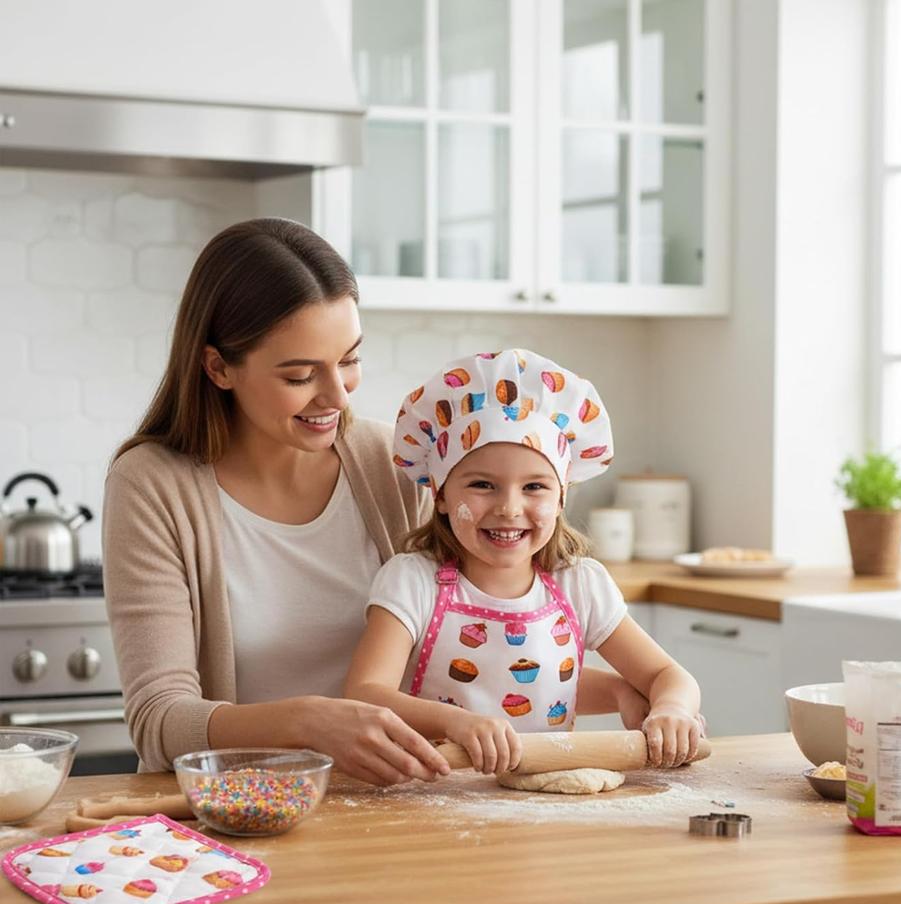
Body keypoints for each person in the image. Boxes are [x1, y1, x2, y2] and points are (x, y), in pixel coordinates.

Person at [103, 219, 632, 784]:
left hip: (397, 803)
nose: (337, 396)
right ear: (218, 367)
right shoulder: (153, 485)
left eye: (349, 360)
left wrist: (623, 688)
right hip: (239, 805)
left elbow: (480, 655)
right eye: (300, 375)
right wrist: (308, 722)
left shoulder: (389, 464)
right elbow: (160, 720)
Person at [344, 349, 703, 775]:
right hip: (435, 793)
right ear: (440, 495)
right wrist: (456, 723)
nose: (510, 508)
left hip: (543, 801)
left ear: (561, 496)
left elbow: (666, 674)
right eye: (483, 485)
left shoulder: (580, 585)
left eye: (534, 487)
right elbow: (365, 694)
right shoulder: (412, 582)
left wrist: (672, 709)